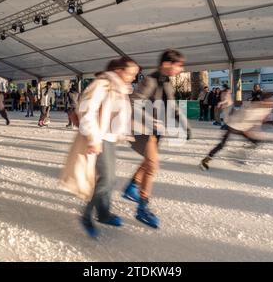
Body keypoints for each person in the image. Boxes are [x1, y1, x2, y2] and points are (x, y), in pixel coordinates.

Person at [60, 57, 139, 238]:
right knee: (106, 179)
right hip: (98, 138)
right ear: (119, 70)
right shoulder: (101, 84)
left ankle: (104, 214)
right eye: (131, 73)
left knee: (109, 179)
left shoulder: (119, 88)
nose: (133, 77)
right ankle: (87, 216)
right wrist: (93, 139)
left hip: (109, 139)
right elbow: (87, 110)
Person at [123, 49, 191, 229]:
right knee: (152, 165)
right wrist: (150, 120)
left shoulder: (166, 83)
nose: (181, 70)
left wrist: (184, 123)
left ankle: (131, 188)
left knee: (148, 161)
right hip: (142, 130)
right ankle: (142, 208)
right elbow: (132, 102)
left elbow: (173, 106)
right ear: (167, 64)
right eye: (179, 66)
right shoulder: (150, 80)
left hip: (154, 131)